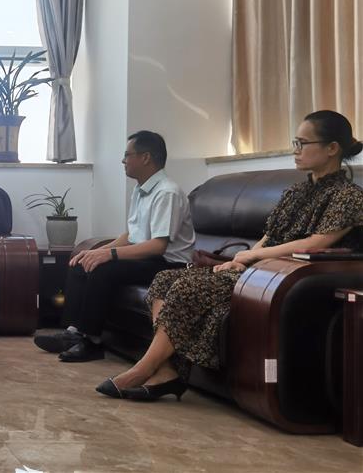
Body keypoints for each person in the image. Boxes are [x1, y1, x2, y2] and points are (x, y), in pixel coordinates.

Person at [98, 110, 363, 401]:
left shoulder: (348, 196)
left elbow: (316, 243)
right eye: (294, 143)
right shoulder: (296, 191)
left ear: (332, 148)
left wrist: (250, 259)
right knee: (164, 279)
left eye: (302, 143)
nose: (295, 150)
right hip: (257, 268)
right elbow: (269, 235)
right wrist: (241, 259)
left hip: (279, 277)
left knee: (187, 287)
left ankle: (144, 369)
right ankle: (167, 372)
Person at [36, 131, 195, 362]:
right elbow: (132, 235)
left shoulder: (167, 192)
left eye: (127, 155)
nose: (123, 161)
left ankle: (92, 342)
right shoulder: (141, 190)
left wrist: (109, 255)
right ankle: (72, 333)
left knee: (103, 269)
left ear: (146, 157)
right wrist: (96, 252)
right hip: (147, 258)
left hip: (170, 264)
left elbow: (158, 246)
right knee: (83, 262)